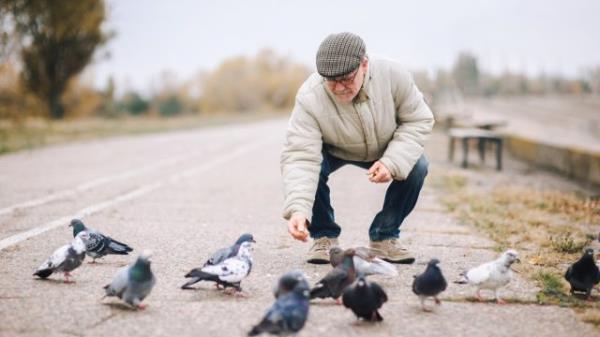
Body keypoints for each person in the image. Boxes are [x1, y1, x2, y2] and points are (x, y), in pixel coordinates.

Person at [281, 32, 434, 264]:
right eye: (331, 81)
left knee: (418, 165)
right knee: (315, 166)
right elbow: (301, 157)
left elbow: (419, 119)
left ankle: (385, 237)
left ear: (364, 64)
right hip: (334, 149)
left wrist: (391, 162)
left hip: (386, 146)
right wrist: (299, 210)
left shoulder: (394, 75)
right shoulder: (309, 96)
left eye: (346, 79)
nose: (340, 87)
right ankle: (324, 237)